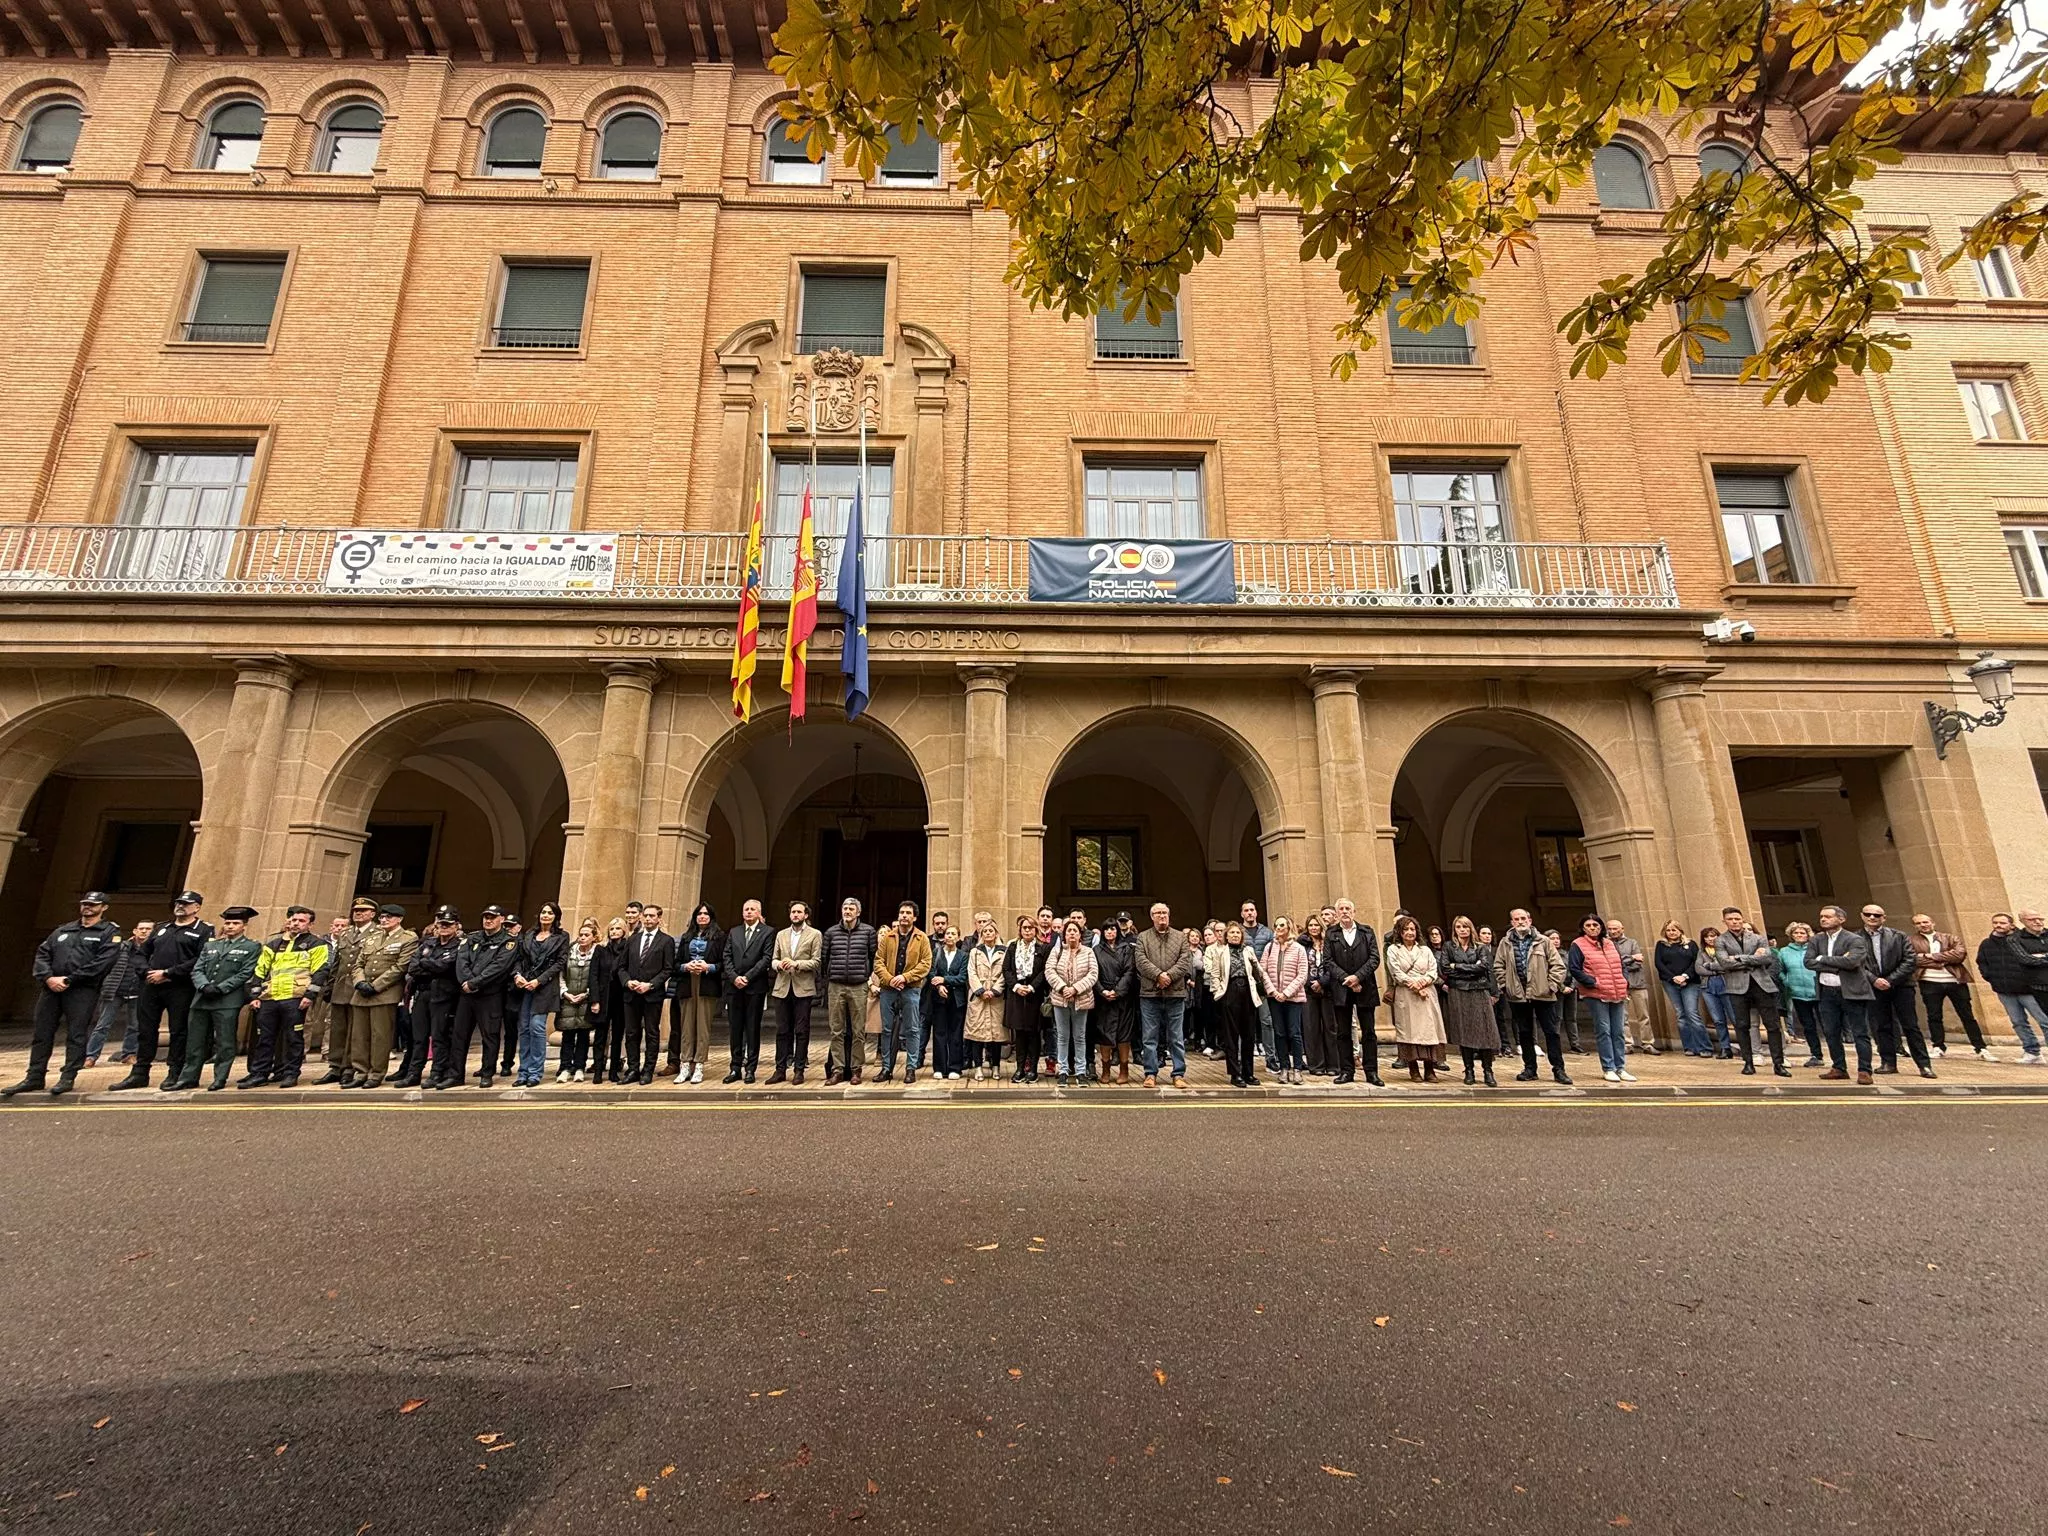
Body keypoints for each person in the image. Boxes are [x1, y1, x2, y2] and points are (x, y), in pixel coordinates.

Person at [3, 892, 121, 1098]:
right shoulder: (64, 929)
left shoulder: (109, 932)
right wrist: (48, 977)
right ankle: (34, 1076)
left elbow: (103, 963)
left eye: (93, 905)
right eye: (85, 904)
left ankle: (68, 1076)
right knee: (42, 1033)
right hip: (51, 988)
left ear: (104, 908)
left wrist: (69, 979)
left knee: (76, 1034)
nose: (87, 908)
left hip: (82, 990)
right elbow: (43, 953)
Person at [108, 890, 214, 1091]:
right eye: (179, 902)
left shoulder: (203, 931)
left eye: (186, 903)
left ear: (197, 907)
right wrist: (146, 972)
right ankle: (140, 1073)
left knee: (178, 1031)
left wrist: (168, 973)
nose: (180, 906)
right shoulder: (162, 928)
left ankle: (174, 1072)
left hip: (180, 987)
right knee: (146, 1030)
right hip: (151, 986)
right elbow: (141, 953)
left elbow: (201, 959)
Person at [169, 906, 264, 1092]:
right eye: (227, 923)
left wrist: (221, 988)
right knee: (195, 1042)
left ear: (244, 926)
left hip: (227, 1000)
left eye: (235, 923)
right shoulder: (211, 945)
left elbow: (246, 972)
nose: (230, 927)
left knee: (225, 1042)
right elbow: (197, 969)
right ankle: (189, 1077)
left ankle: (220, 1077)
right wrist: (204, 986)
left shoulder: (251, 947)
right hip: (202, 999)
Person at [243, 906, 332, 1089]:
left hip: (295, 997)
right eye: (293, 920)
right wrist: (254, 995)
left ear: (310, 924)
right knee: (264, 1039)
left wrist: (310, 995)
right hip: (270, 997)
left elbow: (320, 970)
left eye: (301, 921)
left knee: (293, 1038)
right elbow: (260, 970)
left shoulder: (317, 944)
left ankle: (290, 1073)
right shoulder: (273, 944)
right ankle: (259, 1073)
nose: (295, 923)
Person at [340, 904, 418, 1088]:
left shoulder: (407, 938)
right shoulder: (372, 938)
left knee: (379, 1036)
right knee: (359, 1036)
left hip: (384, 993)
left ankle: (376, 1073)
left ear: (399, 919)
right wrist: (359, 982)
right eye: (382, 917)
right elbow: (358, 963)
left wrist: (375, 986)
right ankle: (360, 1072)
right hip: (362, 993)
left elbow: (400, 967)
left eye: (389, 917)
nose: (384, 920)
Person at [441, 905, 519, 1089]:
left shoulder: (508, 942)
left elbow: (499, 967)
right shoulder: (472, 938)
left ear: (501, 919)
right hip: (467, 994)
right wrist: (466, 981)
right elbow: (462, 961)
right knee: (459, 1035)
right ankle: (456, 1074)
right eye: (485, 917)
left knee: (490, 1036)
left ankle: (486, 1073)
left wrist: (475, 983)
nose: (488, 920)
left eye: (492, 917)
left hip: (489, 995)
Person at [1495, 909, 1572, 1086]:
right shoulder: (1505, 943)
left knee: (1551, 1033)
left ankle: (1558, 1069)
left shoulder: (1543, 941)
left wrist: (1551, 986)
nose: (1520, 922)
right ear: (1512, 922)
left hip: (1543, 995)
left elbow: (1558, 966)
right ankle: (1530, 1068)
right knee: (1524, 1033)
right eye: (1516, 919)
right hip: (1518, 996)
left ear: (1530, 920)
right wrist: (1505, 985)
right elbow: (1498, 966)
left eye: (1523, 918)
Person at [1860, 902, 1934, 1078]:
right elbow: (1856, 963)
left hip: (1901, 986)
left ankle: (1924, 1065)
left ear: (1883, 918)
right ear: (1862, 916)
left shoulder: (1899, 936)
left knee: (1911, 1026)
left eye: (1876, 915)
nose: (1872, 917)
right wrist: (1874, 980)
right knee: (1882, 1026)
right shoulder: (1855, 938)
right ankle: (1888, 1062)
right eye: (1868, 914)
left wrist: (1890, 980)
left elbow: (1909, 960)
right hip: (1874, 987)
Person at [310, 897, 377, 1087]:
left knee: (355, 1032)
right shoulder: (346, 933)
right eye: (356, 910)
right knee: (337, 1030)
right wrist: (330, 985)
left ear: (372, 914)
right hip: (341, 987)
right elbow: (338, 962)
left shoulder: (377, 933)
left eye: (363, 911)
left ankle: (350, 1067)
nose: (358, 913)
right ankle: (335, 1066)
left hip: (360, 988)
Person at [1909, 913, 1994, 1061]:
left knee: (1967, 1015)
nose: (1923, 925)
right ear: (1915, 926)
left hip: (1955, 980)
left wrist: (1931, 956)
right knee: (1934, 1015)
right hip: (1929, 981)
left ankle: (1980, 1047)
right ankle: (1938, 1046)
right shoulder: (1910, 941)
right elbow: (1912, 959)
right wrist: (1942, 959)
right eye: (1918, 923)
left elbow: (1959, 955)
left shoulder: (1950, 938)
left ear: (1932, 922)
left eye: (1925, 922)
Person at [1714, 907, 1787, 1077]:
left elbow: (1767, 958)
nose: (1735, 922)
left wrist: (1739, 958)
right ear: (1724, 921)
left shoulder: (1757, 938)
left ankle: (1778, 1063)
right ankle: (1748, 1062)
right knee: (1742, 1025)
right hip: (1737, 987)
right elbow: (1725, 963)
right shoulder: (1721, 941)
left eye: (1738, 919)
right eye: (1731, 919)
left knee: (1772, 1025)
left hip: (1761, 984)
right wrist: (1753, 958)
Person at [1806, 904, 1875, 1083]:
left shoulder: (1854, 939)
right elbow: (1809, 962)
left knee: (1859, 1032)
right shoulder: (1816, 940)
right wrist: (1839, 963)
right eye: (1821, 916)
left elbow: (1852, 962)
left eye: (1827, 916)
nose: (1823, 919)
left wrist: (1823, 959)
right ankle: (1838, 1067)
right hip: (1826, 992)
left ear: (1841, 919)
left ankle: (1865, 1070)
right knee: (1831, 1031)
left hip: (1851, 992)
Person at [394, 906, 459, 1089]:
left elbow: (447, 967)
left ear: (455, 926)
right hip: (423, 993)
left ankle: (437, 1073)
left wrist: (427, 964)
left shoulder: (459, 945)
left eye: (448, 924)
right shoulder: (428, 943)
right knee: (418, 1037)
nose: (444, 928)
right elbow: (413, 968)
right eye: (441, 924)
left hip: (444, 996)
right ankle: (414, 1073)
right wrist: (432, 965)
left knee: (439, 1037)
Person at [1133, 902, 1197, 1089]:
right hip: (1150, 993)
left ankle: (1178, 1074)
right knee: (1149, 1036)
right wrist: (1158, 975)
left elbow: (1185, 961)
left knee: (1176, 1036)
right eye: (1158, 913)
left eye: (1165, 913)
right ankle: (1150, 1073)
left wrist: (1168, 976)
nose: (1162, 916)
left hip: (1175, 993)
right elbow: (1140, 961)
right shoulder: (1143, 937)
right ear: (1152, 916)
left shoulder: (1180, 937)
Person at [1322, 898, 1383, 1086]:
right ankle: (1346, 1071)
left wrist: (1357, 977)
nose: (1345, 912)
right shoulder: (1331, 934)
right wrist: (1346, 979)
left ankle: (1371, 1071)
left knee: (1369, 1032)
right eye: (1341, 909)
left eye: (1348, 908)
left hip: (1365, 988)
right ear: (1337, 913)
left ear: (1354, 912)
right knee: (1343, 1032)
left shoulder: (1367, 932)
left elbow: (1374, 958)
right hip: (1341, 989)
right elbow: (1328, 961)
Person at [872, 901, 932, 1085]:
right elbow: (878, 961)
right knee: (887, 1029)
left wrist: (905, 977)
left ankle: (910, 1068)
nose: (904, 915)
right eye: (901, 912)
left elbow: (925, 964)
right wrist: (890, 979)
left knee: (912, 1030)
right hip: (888, 989)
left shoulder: (922, 938)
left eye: (908, 913)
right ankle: (887, 1068)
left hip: (911, 989)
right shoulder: (888, 937)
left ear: (914, 917)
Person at [1438, 915, 1500, 1086]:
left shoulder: (1480, 947)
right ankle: (1469, 1069)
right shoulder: (1449, 947)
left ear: (1470, 928)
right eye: (1458, 927)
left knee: (1485, 1031)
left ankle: (1488, 1070)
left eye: (1465, 926)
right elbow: (1444, 968)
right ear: (1454, 929)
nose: (1462, 930)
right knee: (1464, 1031)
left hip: (1478, 990)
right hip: (1459, 991)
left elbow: (1484, 968)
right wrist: (1469, 969)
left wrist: (1456, 966)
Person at [1384, 916, 1447, 1082]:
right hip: (1406, 993)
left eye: (1412, 929)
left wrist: (1423, 982)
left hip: (1427, 993)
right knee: (1409, 1031)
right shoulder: (1393, 950)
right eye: (1406, 929)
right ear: (1400, 932)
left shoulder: (1425, 950)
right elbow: (1395, 971)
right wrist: (1413, 984)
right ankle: (1413, 1069)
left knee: (1429, 1031)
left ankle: (1430, 1069)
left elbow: (1433, 970)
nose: (1409, 933)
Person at [823, 897, 878, 1086]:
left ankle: (856, 1069)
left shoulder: (868, 932)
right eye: (845, 908)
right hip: (836, 985)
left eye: (851, 908)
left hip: (858, 985)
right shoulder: (831, 932)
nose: (847, 911)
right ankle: (837, 1070)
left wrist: (865, 975)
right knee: (836, 1030)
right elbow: (824, 958)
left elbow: (873, 956)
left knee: (858, 1031)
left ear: (858, 912)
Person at [511, 901, 566, 1088]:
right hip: (526, 985)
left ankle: (535, 1072)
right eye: (543, 912)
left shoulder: (561, 937)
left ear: (555, 917)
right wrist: (518, 975)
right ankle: (523, 1071)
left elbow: (559, 963)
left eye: (550, 913)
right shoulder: (529, 935)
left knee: (537, 1027)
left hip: (544, 987)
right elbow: (519, 959)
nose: (546, 915)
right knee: (524, 1029)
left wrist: (539, 981)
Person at [1978, 913, 2047, 1064]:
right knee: (2018, 1022)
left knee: (2044, 1020)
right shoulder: (1987, 944)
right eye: (1995, 922)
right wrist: (1991, 978)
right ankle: (2031, 1051)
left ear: (2011, 924)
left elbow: (2029, 960)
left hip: (2027, 988)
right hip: (2005, 990)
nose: (1998, 925)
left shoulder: (2019, 940)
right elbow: (1982, 963)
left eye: (2002, 923)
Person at [617, 904, 674, 1086]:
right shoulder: (633, 940)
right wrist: (628, 982)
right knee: (632, 1033)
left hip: (652, 994)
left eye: (652, 916)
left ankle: (648, 1070)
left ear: (659, 918)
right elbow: (621, 967)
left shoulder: (666, 941)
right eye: (646, 916)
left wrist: (650, 984)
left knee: (651, 1033)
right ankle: (633, 1068)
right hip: (631, 994)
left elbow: (667, 969)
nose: (648, 919)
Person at [84, 918, 153, 1067]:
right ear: (135, 931)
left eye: (148, 929)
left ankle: (129, 1054)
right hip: (115, 989)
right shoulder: (121, 947)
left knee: (135, 1025)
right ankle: (90, 1056)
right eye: (141, 928)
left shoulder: (154, 950)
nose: (144, 931)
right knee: (103, 1024)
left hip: (138, 991)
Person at [1204, 920, 1265, 1087]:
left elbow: (1258, 971)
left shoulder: (1248, 950)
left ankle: (1248, 1073)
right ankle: (1235, 1073)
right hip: (1229, 992)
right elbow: (1215, 974)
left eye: (1238, 933)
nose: (1235, 935)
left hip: (1247, 992)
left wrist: (1259, 972)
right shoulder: (1221, 952)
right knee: (1231, 1036)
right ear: (1226, 936)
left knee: (1248, 1035)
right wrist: (1218, 994)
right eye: (1232, 933)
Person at [672, 902, 727, 1084]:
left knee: (702, 1026)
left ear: (711, 917)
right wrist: (686, 966)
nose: (702, 916)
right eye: (699, 913)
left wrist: (708, 967)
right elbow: (675, 963)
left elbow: (723, 964)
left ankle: (699, 1064)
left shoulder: (719, 937)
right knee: (686, 1025)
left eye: (705, 913)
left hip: (707, 983)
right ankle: (685, 1063)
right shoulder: (686, 937)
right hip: (688, 982)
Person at [768, 900, 821, 1084]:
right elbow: (773, 959)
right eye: (793, 912)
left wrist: (797, 964)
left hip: (803, 988)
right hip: (782, 987)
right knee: (782, 1030)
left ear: (806, 915)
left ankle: (799, 1070)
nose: (795, 915)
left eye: (799, 912)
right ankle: (780, 1069)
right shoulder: (781, 935)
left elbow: (816, 961)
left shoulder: (815, 935)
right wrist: (779, 964)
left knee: (801, 1030)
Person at [720, 899, 772, 1084]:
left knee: (752, 1029)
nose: (749, 912)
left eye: (752, 909)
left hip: (754, 988)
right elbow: (726, 956)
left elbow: (766, 959)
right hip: (734, 988)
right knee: (735, 1029)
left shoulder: (767, 932)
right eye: (746, 909)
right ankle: (735, 1067)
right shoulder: (734, 932)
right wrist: (734, 977)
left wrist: (747, 977)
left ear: (759, 912)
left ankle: (751, 1068)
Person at [1045, 917, 1099, 1086]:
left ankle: (1081, 1071)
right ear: (1064, 934)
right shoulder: (1057, 951)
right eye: (1069, 931)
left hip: (1081, 999)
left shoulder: (1088, 952)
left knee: (1080, 1037)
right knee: (1062, 1036)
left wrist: (1075, 988)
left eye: (1075, 931)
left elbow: (1093, 974)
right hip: (1060, 1000)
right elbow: (1049, 971)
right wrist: (1062, 988)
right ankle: (1063, 1071)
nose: (1072, 934)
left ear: (1080, 934)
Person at [555, 919, 609, 1082]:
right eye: (580, 935)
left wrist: (587, 995)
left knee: (583, 1035)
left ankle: (579, 1067)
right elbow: (561, 975)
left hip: (586, 999)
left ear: (594, 937)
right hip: (568, 999)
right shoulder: (570, 952)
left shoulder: (598, 953)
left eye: (586, 935)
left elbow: (598, 978)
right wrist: (565, 993)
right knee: (568, 1035)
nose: (582, 938)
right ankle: (565, 1067)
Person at [1260, 915, 1309, 1085]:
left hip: (1293, 998)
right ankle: (1284, 1068)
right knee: (1279, 1033)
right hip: (1274, 998)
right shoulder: (1269, 948)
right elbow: (1262, 970)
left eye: (1282, 925)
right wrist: (1273, 991)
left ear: (1288, 927)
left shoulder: (1298, 948)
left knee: (1294, 1033)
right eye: (1276, 925)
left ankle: (1297, 1069)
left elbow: (1302, 974)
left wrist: (1286, 993)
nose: (1279, 928)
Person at [1003, 913, 1050, 1084]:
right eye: (1024, 928)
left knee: (1033, 1034)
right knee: (1020, 1034)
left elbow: (1045, 971)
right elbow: (1006, 970)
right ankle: (1020, 1068)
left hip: (1034, 994)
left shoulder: (1043, 947)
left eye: (1030, 927)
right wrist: (1016, 986)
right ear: (1020, 930)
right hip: (1016, 993)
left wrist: (1031, 987)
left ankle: (1033, 1069)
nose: (1027, 930)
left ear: (1035, 929)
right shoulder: (1013, 947)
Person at [1653, 921, 1709, 1056]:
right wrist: (1674, 978)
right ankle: (1689, 1047)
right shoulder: (1661, 945)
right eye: (1668, 930)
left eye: (1674, 930)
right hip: (1670, 982)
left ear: (1680, 930)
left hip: (1690, 982)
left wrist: (1685, 976)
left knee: (1692, 1013)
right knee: (1681, 1015)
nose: (1671, 933)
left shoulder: (1690, 944)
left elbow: (1696, 962)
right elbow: (1659, 963)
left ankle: (1704, 1047)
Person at [965, 912, 1009, 1082]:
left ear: (996, 933)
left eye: (991, 931)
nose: (988, 934)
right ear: (981, 934)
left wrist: (996, 990)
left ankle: (996, 1065)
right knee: (978, 1034)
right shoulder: (975, 952)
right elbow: (971, 972)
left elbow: (1006, 973)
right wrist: (981, 990)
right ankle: (978, 1067)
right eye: (985, 931)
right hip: (979, 998)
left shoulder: (1003, 951)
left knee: (995, 1035)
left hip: (996, 998)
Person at [926, 913, 970, 1081]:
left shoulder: (963, 956)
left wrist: (945, 979)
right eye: (947, 934)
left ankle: (955, 1067)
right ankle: (939, 1067)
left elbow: (962, 977)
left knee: (956, 1033)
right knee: (939, 1033)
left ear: (958, 938)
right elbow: (931, 973)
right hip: (939, 998)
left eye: (953, 934)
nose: (949, 936)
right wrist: (939, 986)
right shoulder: (936, 953)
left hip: (957, 999)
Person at [1092, 919, 1136, 1083]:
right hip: (1104, 998)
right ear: (1102, 933)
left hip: (1123, 998)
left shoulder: (1127, 949)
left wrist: (1117, 991)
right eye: (1107, 930)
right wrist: (1102, 991)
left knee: (1124, 1035)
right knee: (1105, 1035)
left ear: (1117, 931)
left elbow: (1129, 971)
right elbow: (1093, 973)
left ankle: (1124, 1070)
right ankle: (1105, 1070)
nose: (1110, 932)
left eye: (1113, 929)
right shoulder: (1096, 950)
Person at [1606, 917, 1658, 1054]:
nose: (1612, 931)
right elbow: (1611, 964)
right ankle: (1627, 1044)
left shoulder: (1632, 943)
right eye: (1610, 929)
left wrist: (1624, 962)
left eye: (1615, 929)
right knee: (1622, 1017)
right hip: (1618, 984)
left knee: (1644, 1016)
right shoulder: (1606, 944)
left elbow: (1638, 963)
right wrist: (1630, 958)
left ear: (1622, 929)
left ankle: (1647, 1043)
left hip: (1637, 983)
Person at [1775, 922, 1822, 1068]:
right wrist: (1787, 981)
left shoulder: (1816, 949)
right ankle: (1816, 1054)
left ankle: (1836, 1055)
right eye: (1796, 933)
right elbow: (1780, 970)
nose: (1799, 936)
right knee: (1808, 1026)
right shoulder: (1784, 951)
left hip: (1818, 992)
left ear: (1808, 935)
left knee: (1828, 1025)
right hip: (1797, 993)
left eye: (1802, 933)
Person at [304, 915, 348, 1060]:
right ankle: (302, 1050)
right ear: (331, 927)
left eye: (343, 926)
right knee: (307, 1018)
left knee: (331, 1019)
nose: (339, 928)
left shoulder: (348, 943)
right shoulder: (319, 942)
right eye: (336, 925)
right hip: (315, 982)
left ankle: (327, 1050)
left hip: (335, 984)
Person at [1300, 914, 1337, 1075]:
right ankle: (1316, 1065)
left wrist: (1322, 982)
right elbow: (1300, 966)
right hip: (1309, 991)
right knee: (1311, 1028)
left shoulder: (1329, 944)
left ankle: (1334, 1065)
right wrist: (1311, 983)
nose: (1313, 928)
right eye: (1310, 925)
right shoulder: (1302, 945)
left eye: (1316, 925)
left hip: (1328, 990)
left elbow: (1333, 965)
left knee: (1330, 1028)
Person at [595, 914, 630, 1082]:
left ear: (624, 931)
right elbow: (593, 975)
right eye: (612, 929)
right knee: (601, 1034)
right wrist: (594, 999)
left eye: (618, 928)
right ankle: (597, 1070)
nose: (614, 931)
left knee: (617, 1035)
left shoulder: (628, 949)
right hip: (603, 996)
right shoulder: (600, 949)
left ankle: (613, 1070)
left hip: (621, 996)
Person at [1696, 925, 1734, 1058]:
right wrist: (1716, 969)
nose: (1710, 939)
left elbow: (1727, 966)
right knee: (1718, 1020)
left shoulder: (1726, 950)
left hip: (1726, 985)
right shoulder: (1702, 953)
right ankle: (1725, 1048)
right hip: (1708, 987)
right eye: (1707, 937)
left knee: (1734, 1017)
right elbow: (1699, 969)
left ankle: (1746, 1046)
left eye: (1713, 935)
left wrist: (1711, 967)